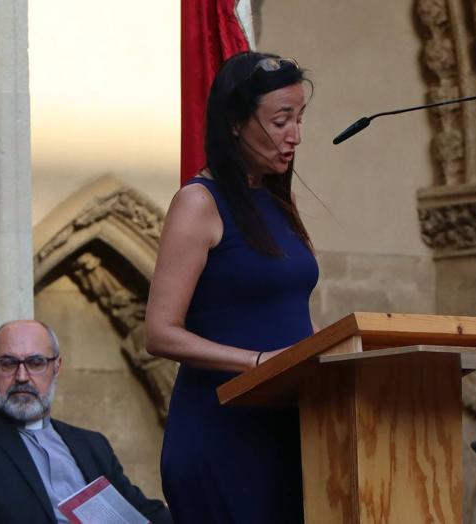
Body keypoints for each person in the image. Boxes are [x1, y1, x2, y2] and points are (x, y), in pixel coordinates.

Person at [145, 51, 317, 523]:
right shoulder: (198, 203)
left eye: (299, 119)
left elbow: (284, 311)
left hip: (287, 427)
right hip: (223, 434)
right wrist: (261, 364)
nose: (294, 136)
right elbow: (160, 333)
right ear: (236, 123)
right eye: (281, 121)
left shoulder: (275, 199)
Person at [0, 320, 173, 524]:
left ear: (56, 367)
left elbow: (140, 512)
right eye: (8, 363)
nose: (22, 377)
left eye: (36, 363)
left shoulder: (92, 445)